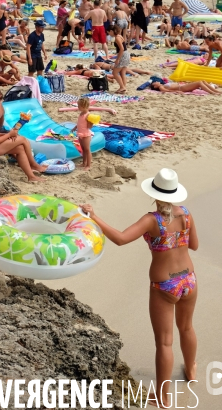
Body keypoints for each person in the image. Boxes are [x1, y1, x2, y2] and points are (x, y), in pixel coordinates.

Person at [83, 169, 198, 408]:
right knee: (186, 327)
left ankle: (162, 397)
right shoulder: (186, 215)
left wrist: (94, 216)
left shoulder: (151, 220)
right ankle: (192, 369)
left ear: (154, 194)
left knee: (165, 343)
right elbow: (194, 245)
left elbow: (121, 238)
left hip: (164, 285)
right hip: (189, 279)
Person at [0, 90, 47, 182]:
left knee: (20, 149)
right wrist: (9, 134)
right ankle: (34, 165)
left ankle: (31, 176)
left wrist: (5, 135)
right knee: (22, 139)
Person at [71, 98, 93, 171]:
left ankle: (88, 165)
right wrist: (75, 128)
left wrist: (91, 122)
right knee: (83, 149)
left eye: (79, 106)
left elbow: (89, 126)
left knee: (87, 149)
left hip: (86, 135)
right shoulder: (81, 113)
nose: (78, 107)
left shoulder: (88, 115)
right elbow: (79, 123)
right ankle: (84, 163)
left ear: (83, 106)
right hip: (80, 134)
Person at [108, 25, 130, 93]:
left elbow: (121, 49)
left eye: (108, 32)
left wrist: (117, 59)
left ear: (111, 31)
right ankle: (123, 87)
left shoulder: (117, 38)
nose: (109, 34)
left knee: (114, 72)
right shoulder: (119, 36)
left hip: (123, 55)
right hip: (126, 54)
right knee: (122, 72)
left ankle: (122, 87)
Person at [150, 81, 222, 94]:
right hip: (182, 88)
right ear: (155, 86)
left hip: (182, 86)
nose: (156, 82)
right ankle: (213, 92)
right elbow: (165, 91)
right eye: (155, 83)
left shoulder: (162, 85)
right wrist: (176, 91)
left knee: (203, 81)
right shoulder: (161, 87)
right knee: (199, 83)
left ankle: (216, 91)